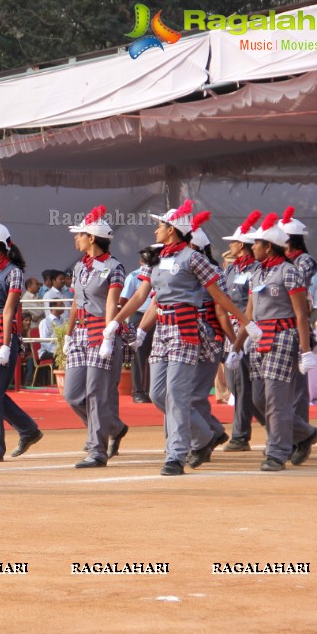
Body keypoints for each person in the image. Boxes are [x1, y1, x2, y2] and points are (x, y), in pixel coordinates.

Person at [110, 200, 257, 476]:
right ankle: (204, 437)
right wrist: (120, 323)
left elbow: (219, 297)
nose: (156, 230)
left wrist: (245, 322)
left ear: (173, 229)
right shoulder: (155, 258)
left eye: (160, 226)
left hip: (186, 329)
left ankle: (175, 455)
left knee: (177, 395)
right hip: (163, 329)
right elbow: (144, 297)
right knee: (157, 393)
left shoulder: (194, 258)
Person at [230, 212, 317, 471]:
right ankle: (304, 433)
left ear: (269, 247)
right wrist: (236, 346)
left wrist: (306, 351)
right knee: (258, 399)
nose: (252, 247)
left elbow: (301, 314)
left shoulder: (289, 272)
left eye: (256, 243)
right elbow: (249, 312)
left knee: (276, 399)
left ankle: (277, 452)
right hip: (260, 338)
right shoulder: (257, 273)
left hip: (283, 337)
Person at [0, 206, 44, 463]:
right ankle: (28, 430)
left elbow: (9, 309)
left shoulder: (13, 272)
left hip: (3, 334)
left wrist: (5, 344)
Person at [64, 205, 130, 468]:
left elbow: (112, 303)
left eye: (79, 234)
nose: (76, 238)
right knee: (73, 394)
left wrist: (108, 335)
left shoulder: (115, 267)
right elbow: (74, 302)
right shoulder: (79, 266)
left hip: (101, 332)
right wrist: (67, 335)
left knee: (96, 393)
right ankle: (113, 426)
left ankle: (97, 451)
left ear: (92, 238)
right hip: (80, 333)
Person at [185, 216, 234, 467]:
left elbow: (221, 310)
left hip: (209, 339)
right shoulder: (183, 268)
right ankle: (213, 431)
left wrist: (232, 343)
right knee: (193, 394)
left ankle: (205, 438)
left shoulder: (212, 272)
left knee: (194, 394)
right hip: (188, 336)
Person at [220, 211, 265, 451]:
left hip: (248, 328)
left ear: (242, 245)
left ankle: (240, 435)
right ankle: (277, 430)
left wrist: (247, 330)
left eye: (234, 242)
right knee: (233, 382)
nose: (231, 245)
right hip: (232, 326)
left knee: (244, 385)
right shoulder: (231, 269)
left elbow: (254, 304)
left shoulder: (257, 269)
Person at [280, 206, 317, 443]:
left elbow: (295, 280)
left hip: (297, 323)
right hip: (280, 322)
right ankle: (290, 432)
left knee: (298, 387)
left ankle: (300, 432)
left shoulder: (305, 261)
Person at [120, 247, 157, 403]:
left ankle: (151, 390)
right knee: (139, 355)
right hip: (138, 316)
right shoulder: (134, 277)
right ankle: (138, 392)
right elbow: (123, 299)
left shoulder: (158, 274)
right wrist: (123, 319)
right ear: (140, 261)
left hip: (155, 316)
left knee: (154, 355)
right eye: (145, 261)